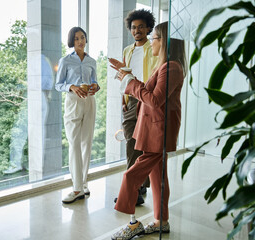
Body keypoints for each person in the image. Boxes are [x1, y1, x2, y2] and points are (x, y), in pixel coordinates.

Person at [111, 21, 187, 239]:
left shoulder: (171, 67)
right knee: (158, 178)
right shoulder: (166, 66)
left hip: (158, 131)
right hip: (155, 129)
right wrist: (128, 76)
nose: (151, 41)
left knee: (131, 176)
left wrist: (129, 81)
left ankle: (132, 224)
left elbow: (154, 100)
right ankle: (161, 221)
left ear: (164, 42)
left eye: (154, 38)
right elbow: (150, 91)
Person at [108, 9, 158, 205]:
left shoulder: (153, 48)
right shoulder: (127, 51)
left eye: (141, 27)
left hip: (147, 97)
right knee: (131, 142)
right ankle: (135, 188)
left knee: (145, 144)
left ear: (148, 28)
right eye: (134, 27)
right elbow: (124, 76)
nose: (137, 30)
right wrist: (123, 98)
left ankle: (138, 187)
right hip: (131, 99)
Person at [55, 27, 100, 204]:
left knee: (86, 144)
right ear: (72, 42)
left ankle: (83, 183)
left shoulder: (92, 61)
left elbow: (95, 81)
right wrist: (71, 87)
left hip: (89, 101)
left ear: (86, 39)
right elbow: (58, 85)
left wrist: (96, 86)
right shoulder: (65, 61)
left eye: (82, 37)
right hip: (73, 102)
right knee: (74, 144)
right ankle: (76, 188)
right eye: (76, 39)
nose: (80, 41)